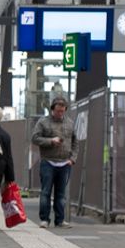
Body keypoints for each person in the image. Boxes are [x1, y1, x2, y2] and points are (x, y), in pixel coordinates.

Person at [30, 96, 77, 228]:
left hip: (64, 163)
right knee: (46, 192)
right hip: (48, 162)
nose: (60, 114)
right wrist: (50, 141)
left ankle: (60, 220)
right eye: (57, 111)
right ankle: (44, 219)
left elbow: (75, 142)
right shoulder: (43, 122)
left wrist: (72, 159)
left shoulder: (70, 123)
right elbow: (35, 138)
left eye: (62, 111)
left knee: (61, 194)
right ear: (52, 110)